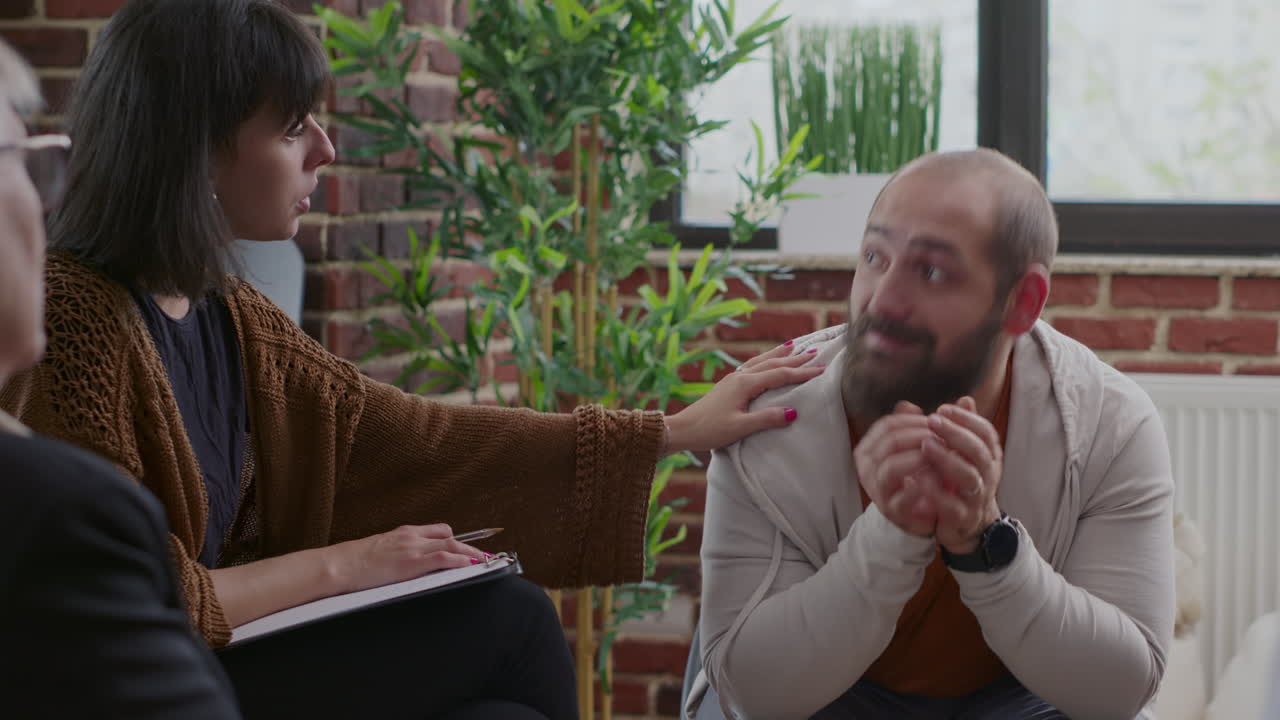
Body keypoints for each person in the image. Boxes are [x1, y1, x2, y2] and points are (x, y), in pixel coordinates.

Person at [0, 1, 821, 718]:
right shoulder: (73, 324)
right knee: (516, 626)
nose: (324, 148)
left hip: (242, 656)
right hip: (160, 681)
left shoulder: (226, 309)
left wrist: (670, 432)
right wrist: (351, 563)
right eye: (292, 127)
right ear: (197, 150)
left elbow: (405, 436)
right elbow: (141, 598)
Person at [693, 149, 1175, 720]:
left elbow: (1122, 690)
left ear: (1022, 302)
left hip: (1027, 697)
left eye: (933, 271)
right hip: (829, 700)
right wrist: (889, 537)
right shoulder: (770, 417)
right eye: (875, 256)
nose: (881, 298)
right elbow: (751, 693)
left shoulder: (1109, 424)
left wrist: (984, 545)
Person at [0, 38, 241, 718]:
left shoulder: (232, 308)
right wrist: (355, 563)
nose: (49, 202)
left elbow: (378, 426)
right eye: (27, 163)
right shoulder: (60, 516)